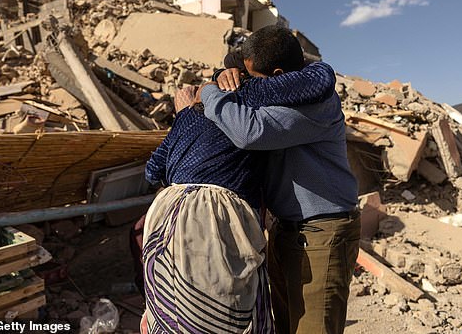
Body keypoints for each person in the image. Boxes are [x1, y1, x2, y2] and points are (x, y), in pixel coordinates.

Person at [140, 48, 337, 334]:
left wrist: (190, 111)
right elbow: (320, 79)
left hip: (166, 218)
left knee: (174, 307)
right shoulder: (250, 97)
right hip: (215, 222)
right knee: (226, 305)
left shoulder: (190, 114)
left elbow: (152, 171)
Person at [201, 25, 361, 334]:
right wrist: (225, 74)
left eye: (254, 79)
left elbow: (249, 131)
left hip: (321, 234)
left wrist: (210, 93)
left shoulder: (315, 103)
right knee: (287, 324)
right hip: (289, 230)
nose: (248, 85)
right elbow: (237, 64)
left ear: (277, 75)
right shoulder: (286, 88)